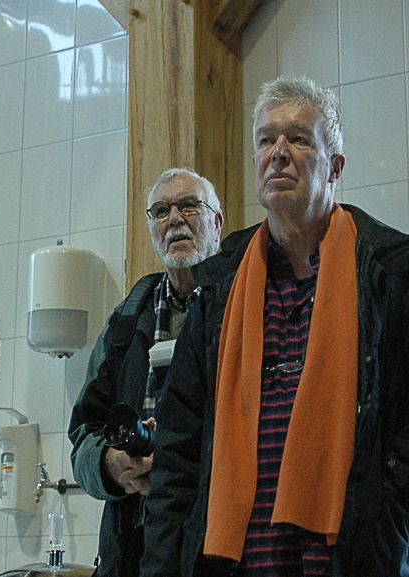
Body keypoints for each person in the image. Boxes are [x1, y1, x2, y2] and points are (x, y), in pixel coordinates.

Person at [142, 75, 409, 577]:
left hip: (348, 558)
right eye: (266, 140)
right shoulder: (219, 289)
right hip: (235, 561)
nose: (278, 153)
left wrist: (389, 512)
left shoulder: (389, 275)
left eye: (299, 139)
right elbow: (178, 454)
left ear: (335, 166)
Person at [69, 167, 224, 577]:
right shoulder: (126, 322)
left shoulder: (242, 307)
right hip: (131, 548)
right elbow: (83, 435)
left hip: (217, 541)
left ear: (217, 222)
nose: (175, 219)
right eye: (160, 211)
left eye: (189, 205)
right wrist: (114, 464)